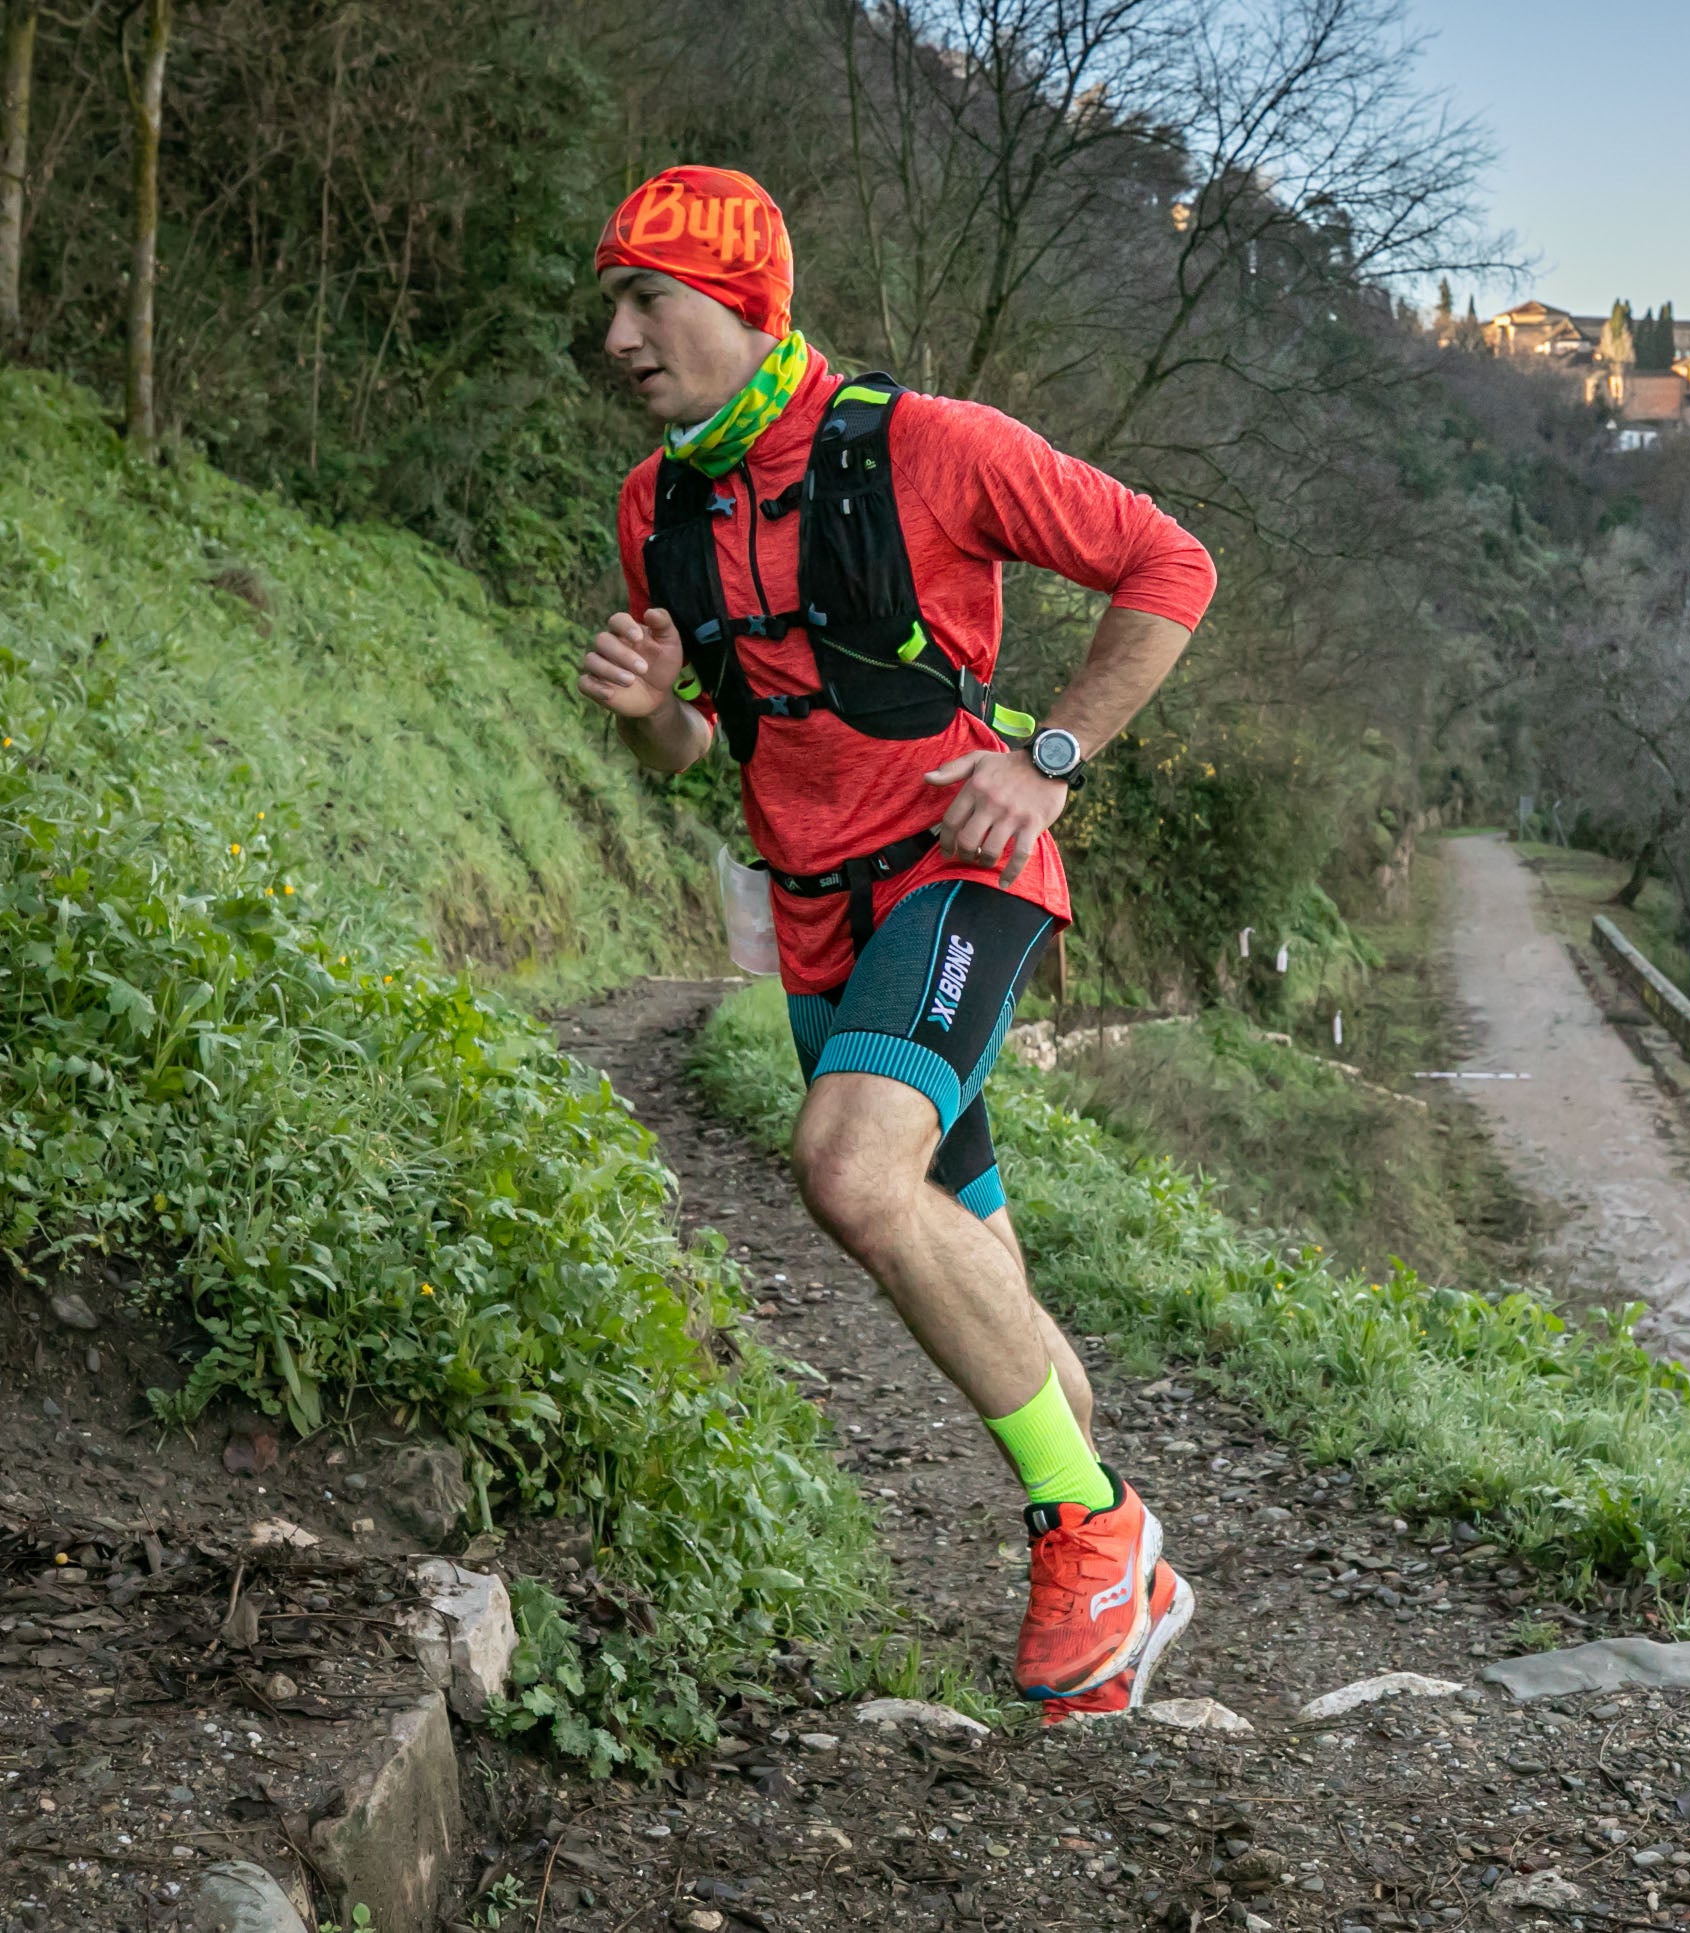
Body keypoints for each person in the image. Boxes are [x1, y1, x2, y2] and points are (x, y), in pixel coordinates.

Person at [575, 166, 1213, 1721]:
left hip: (957, 871)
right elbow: (701, 754)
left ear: (739, 302)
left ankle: (1094, 1530)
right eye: (611, 305)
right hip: (814, 915)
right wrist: (654, 713)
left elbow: (1170, 567)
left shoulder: (925, 444)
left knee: (853, 1173)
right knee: (972, 1262)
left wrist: (1045, 754)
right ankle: (1130, 1560)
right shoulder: (655, 509)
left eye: (646, 299)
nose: (617, 336)